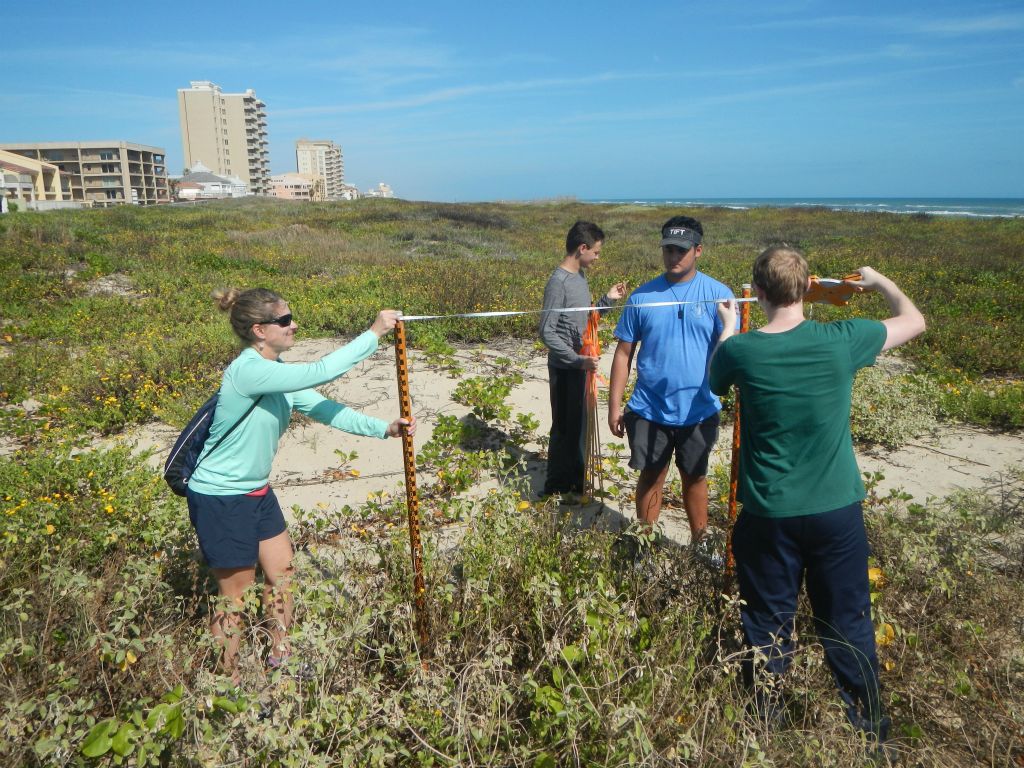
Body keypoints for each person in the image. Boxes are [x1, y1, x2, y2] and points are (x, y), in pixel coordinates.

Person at [708, 246, 925, 745]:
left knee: (766, 625)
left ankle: (765, 731)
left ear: (757, 292)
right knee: (848, 625)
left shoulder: (742, 350)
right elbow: (913, 320)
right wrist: (878, 281)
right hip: (835, 513)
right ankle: (871, 735)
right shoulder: (843, 339)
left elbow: (717, 375)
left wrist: (727, 327)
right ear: (809, 288)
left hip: (768, 515)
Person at [186, 288, 416, 679]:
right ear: (259, 330)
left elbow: (326, 409)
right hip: (222, 496)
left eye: (292, 317)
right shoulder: (249, 370)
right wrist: (373, 333)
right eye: (284, 321)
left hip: (256, 491)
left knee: (283, 575)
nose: (294, 325)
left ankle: (281, 654)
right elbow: (319, 371)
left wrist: (385, 429)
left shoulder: (276, 372)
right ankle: (228, 682)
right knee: (235, 598)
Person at [607, 215, 734, 545]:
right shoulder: (642, 297)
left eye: (681, 250)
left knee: (695, 477)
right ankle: (644, 543)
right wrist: (614, 405)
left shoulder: (719, 295)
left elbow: (733, 351)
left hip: (700, 409)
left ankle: (700, 543)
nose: (674, 256)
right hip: (649, 408)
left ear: (698, 250)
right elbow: (623, 354)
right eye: (668, 250)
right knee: (652, 476)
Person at [539, 220, 626, 496]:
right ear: (583, 248)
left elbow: (586, 318)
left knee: (579, 427)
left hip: (580, 365)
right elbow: (546, 331)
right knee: (565, 427)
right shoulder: (559, 282)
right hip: (566, 368)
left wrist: (607, 299)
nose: (598, 258)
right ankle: (555, 487)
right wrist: (577, 361)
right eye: (596, 253)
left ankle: (576, 483)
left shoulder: (579, 278)